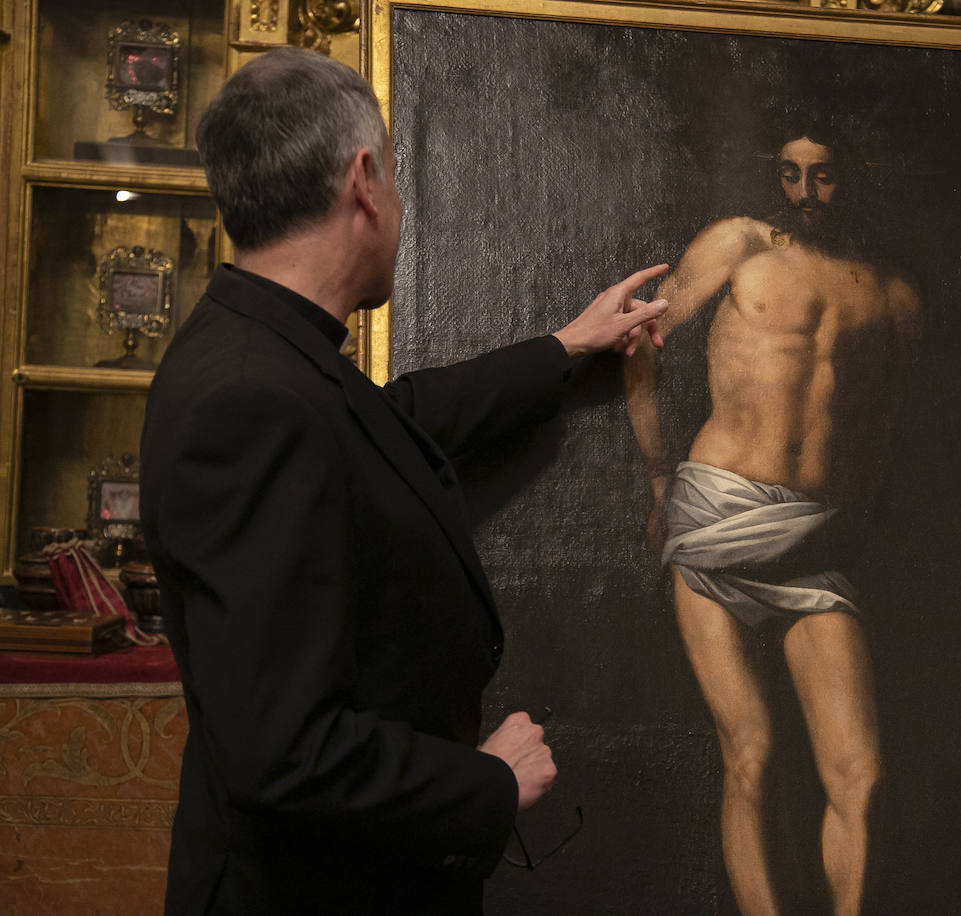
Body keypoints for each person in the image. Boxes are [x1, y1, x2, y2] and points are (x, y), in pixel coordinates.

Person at [140, 47, 667, 914]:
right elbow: (282, 750)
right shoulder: (252, 399)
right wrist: (486, 784)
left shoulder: (266, 352)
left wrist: (563, 351)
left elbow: (388, 426)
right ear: (364, 180)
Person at [624, 124, 921, 916]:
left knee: (861, 778)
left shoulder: (894, 294)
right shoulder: (739, 245)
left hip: (814, 542)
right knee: (750, 751)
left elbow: (883, 434)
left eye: (822, 175)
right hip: (716, 514)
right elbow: (641, 341)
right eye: (790, 173)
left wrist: (847, 519)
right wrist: (659, 476)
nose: (804, 192)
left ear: (851, 177)